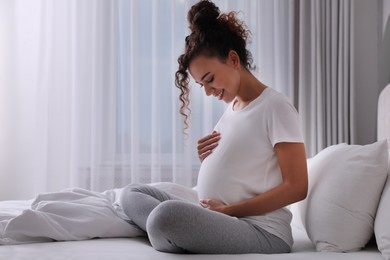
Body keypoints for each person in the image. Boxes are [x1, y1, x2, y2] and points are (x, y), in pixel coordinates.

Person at [120, 0, 308, 254]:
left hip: (261, 231)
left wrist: (227, 211)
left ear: (232, 59)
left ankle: (172, 232)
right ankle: (177, 234)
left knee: (164, 217)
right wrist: (209, 158)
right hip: (219, 217)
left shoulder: (276, 107)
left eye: (209, 79)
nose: (208, 92)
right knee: (132, 193)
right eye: (202, 85)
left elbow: (297, 187)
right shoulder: (232, 110)